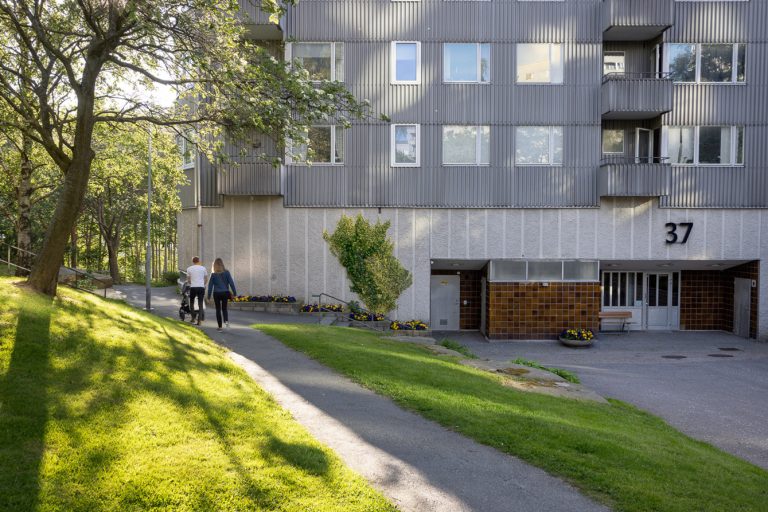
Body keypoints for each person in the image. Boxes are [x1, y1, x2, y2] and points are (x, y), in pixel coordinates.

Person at [207, 258, 237, 332]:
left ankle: (220, 327)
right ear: (222, 264)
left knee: (218, 309)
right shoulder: (227, 272)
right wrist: (235, 293)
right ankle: (226, 322)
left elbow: (210, 286)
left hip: (216, 293)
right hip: (225, 293)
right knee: (224, 308)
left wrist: (208, 297)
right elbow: (231, 283)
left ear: (214, 265)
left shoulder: (213, 274)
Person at [186, 256, 208, 325]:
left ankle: (193, 318)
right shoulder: (203, 268)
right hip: (201, 287)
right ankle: (199, 321)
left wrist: (192, 283)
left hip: (193, 287)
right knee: (200, 304)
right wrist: (202, 284)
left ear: (193, 261)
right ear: (199, 261)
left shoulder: (189, 268)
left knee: (191, 302)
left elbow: (188, 280)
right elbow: (206, 279)